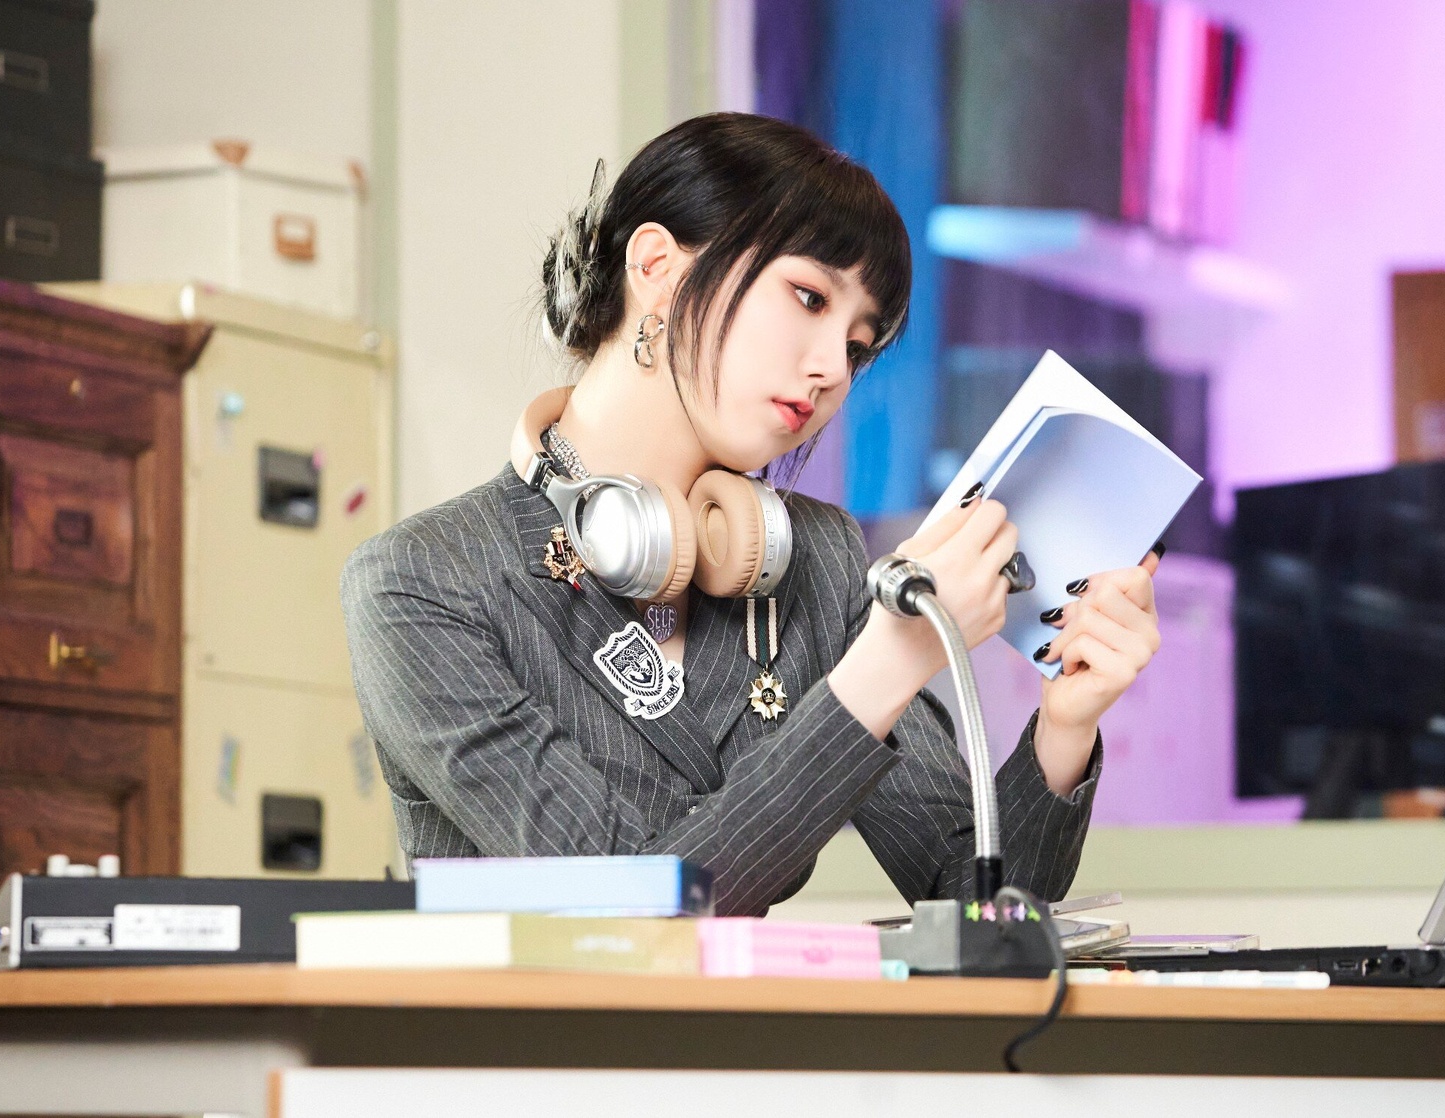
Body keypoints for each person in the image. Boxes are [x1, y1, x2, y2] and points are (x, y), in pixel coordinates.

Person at [341, 113, 1163, 916]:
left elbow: (973, 908)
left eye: (858, 345)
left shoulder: (817, 560)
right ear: (657, 266)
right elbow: (625, 912)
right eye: (808, 297)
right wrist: (888, 663)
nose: (831, 369)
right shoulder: (421, 583)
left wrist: (1065, 727)